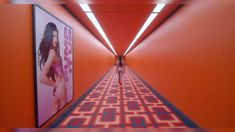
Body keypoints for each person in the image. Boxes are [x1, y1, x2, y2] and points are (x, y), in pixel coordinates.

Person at [38, 22, 67, 113]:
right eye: (53, 36)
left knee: (54, 121)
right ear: (49, 36)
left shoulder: (52, 52)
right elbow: (42, 78)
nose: (56, 39)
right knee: (62, 120)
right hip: (60, 89)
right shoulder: (53, 53)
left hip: (56, 92)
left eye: (56, 36)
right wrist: (54, 84)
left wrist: (54, 85)